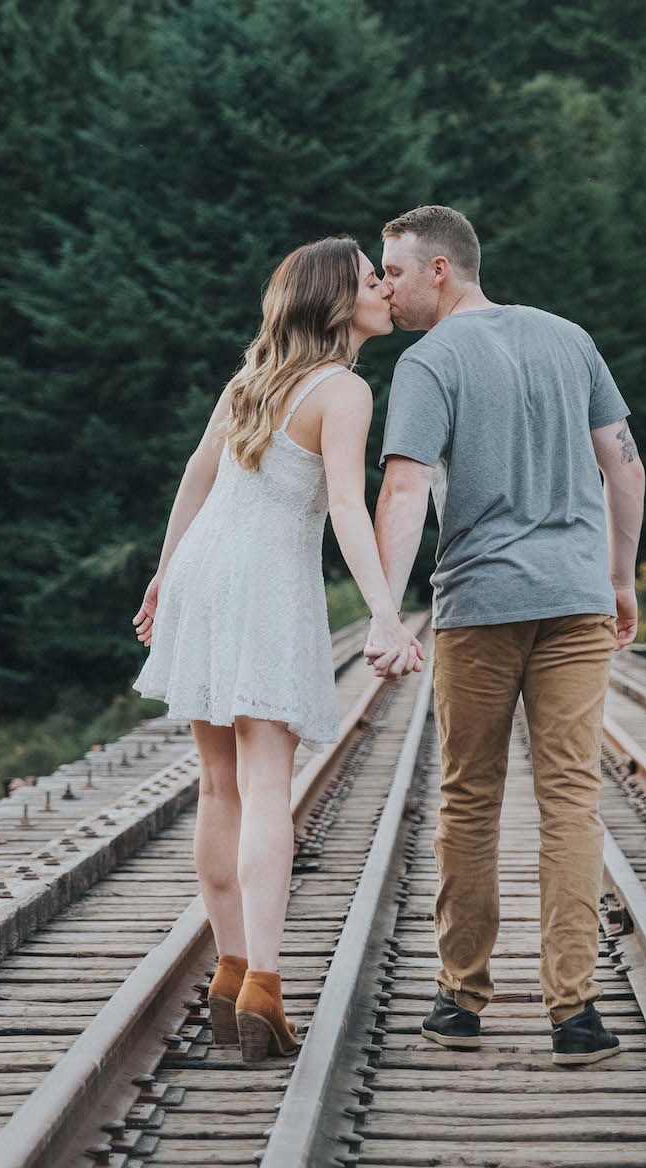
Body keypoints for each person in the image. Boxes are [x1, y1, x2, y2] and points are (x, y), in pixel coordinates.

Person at [130, 236, 423, 1065]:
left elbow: (196, 473)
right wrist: (385, 614)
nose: (384, 293)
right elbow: (343, 504)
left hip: (201, 573)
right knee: (266, 788)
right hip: (262, 584)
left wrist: (163, 574)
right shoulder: (344, 389)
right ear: (340, 301)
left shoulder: (252, 377)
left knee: (218, 785)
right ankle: (264, 983)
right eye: (372, 281)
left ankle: (227, 974)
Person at [366, 204, 645, 1066]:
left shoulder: (427, 361)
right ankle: (575, 1013)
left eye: (396, 273)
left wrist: (384, 607)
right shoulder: (570, 338)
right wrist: (622, 577)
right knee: (572, 801)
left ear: (440, 269)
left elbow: (406, 488)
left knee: (470, 797)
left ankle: (460, 999)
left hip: (482, 605)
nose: (386, 289)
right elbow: (625, 464)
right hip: (574, 600)